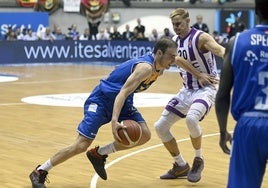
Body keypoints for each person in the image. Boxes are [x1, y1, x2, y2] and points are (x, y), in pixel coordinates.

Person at [29, 37, 216, 188]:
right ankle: (40, 171)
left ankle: (99, 154)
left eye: (175, 56)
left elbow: (180, 61)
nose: (173, 61)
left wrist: (199, 75)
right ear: (159, 53)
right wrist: (114, 121)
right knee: (81, 144)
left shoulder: (161, 64)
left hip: (123, 101)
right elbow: (123, 92)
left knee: (144, 135)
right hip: (103, 99)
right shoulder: (146, 68)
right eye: (170, 56)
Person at [154, 8, 225, 183]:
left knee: (191, 119)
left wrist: (233, 56)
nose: (176, 27)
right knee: (160, 127)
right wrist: (197, 74)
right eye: (173, 25)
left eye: (178, 24)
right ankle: (180, 165)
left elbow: (219, 50)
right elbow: (177, 60)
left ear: (188, 20)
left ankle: (198, 159)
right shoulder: (175, 41)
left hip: (206, 88)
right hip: (187, 90)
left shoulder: (201, 37)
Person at [215, 0, 268, 187]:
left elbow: (222, 95)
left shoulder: (237, 42)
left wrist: (223, 131)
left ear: (256, 10)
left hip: (248, 126)